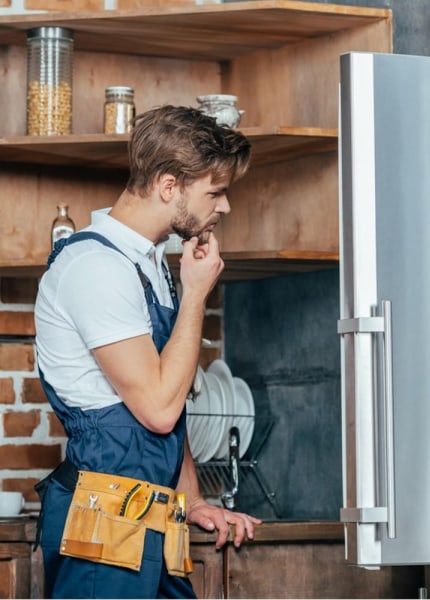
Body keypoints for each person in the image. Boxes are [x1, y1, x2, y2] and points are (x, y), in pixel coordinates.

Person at [34, 105, 261, 599]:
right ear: (168, 186)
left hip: (157, 516)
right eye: (215, 192)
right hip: (104, 517)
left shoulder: (149, 265)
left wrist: (193, 499)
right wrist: (198, 294)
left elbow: (169, 401)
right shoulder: (96, 267)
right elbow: (157, 410)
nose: (224, 208)